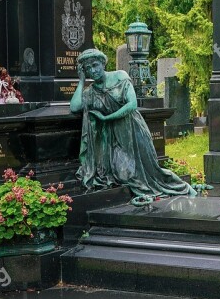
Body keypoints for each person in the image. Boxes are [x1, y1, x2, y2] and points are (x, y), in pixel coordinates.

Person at [70, 48, 196, 197]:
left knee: (152, 172)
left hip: (132, 131)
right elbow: (75, 106)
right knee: (125, 175)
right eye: (88, 69)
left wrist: (106, 118)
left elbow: (132, 104)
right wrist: (81, 81)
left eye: (95, 65)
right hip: (112, 139)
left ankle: (187, 189)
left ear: (103, 64)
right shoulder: (90, 91)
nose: (93, 70)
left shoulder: (120, 77)